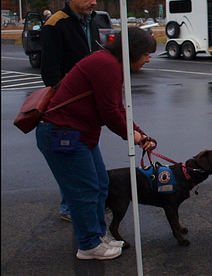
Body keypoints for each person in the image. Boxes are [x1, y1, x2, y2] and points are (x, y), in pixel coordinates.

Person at [35, 27, 157, 260]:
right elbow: (110, 113)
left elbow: (117, 108)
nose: (148, 59)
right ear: (134, 51)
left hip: (79, 135)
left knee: (100, 183)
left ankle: (97, 235)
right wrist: (136, 137)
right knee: (84, 190)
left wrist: (141, 134)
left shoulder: (110, 64)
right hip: (63, 134)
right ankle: (89, 244)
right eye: (147, 53)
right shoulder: (107, 66)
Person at [40, 0, 102, 222]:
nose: (94, 2)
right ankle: (70, 206)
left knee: (84, 155)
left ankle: (86, 202)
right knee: (70, 158)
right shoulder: (56, 24)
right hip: (66, 107)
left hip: (88, 102)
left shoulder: (91, 22)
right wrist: (62, 95)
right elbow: (50, 71)